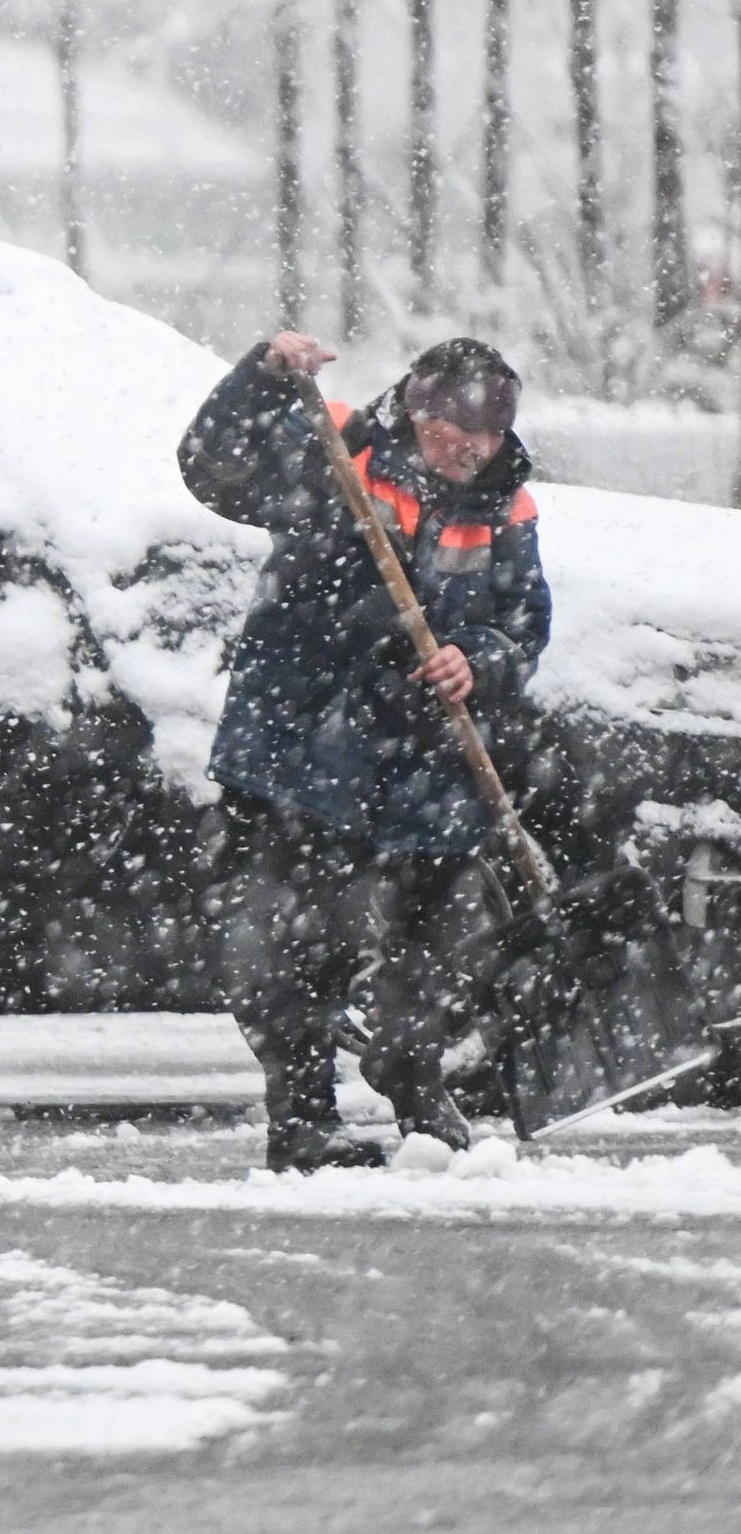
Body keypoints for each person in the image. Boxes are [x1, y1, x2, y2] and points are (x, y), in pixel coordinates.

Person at [178, 330, 548, 1170]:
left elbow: (524, 623)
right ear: (419, 412)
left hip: (427, 753)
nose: (473, 447)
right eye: (458, 428)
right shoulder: (339, 446)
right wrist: (261, 376)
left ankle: (412, 1078)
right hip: (310, 738)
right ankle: (303, 1121)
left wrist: (478, 658)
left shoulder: (506, 503)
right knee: (306, 938)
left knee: (436, 937)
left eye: (489, 433)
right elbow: (214, 468)